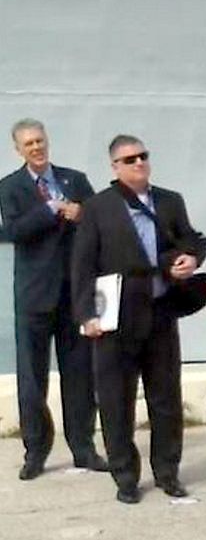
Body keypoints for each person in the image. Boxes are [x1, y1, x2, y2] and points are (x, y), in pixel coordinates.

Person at [71, 135, 206, 504]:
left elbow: (194, 239)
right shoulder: (99, 208)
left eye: (142, 156)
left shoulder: (169, 201)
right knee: (116, 401)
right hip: (116, 316)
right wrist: (86, 314)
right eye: (129, 159)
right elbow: (82, 264)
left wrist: (192, 258)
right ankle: (125, 476)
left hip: (161, 311)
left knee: (165, 398)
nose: (138, 164)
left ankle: (167, 471)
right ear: (115, 167)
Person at [0, 119, 106, 479]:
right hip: (33, 295)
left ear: (48, 141)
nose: (36, 148)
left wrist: (82, 213)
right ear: (19, 149)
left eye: (40, 141)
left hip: (73, 293)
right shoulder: (10, 187)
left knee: (79, 374)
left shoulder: (74, 180)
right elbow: (11, 230)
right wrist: (49, 210)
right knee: (32, 378)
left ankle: (83, 447)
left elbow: (101, 220)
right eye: (28, 143)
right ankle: (36, 450)